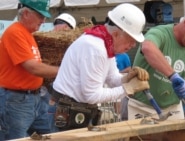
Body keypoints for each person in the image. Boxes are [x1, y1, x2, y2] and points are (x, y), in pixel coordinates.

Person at [51, 3, 150, 131]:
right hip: (67, 110)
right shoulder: (95, 48)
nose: (132, 45)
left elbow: (112, 78)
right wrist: (128, 88)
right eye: (131, 40)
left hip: (74, 107)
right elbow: (92, 96)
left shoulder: (105, 42)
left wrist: (127, 78)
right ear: (115, 34)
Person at [128, 2, 185, 122]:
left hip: (173, 109)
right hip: (141, 107)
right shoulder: (160, 33)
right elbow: (148, 48)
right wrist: (173, 76)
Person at [0, 0, 59, 140]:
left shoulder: (26, 33)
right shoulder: (15, 32)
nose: (43, 21)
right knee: (16, 138)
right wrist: (64, 70)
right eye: (40, 16)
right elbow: (32, 67)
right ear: (26, 13)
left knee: (52, 134)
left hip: (32, 97)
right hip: (16, 100)